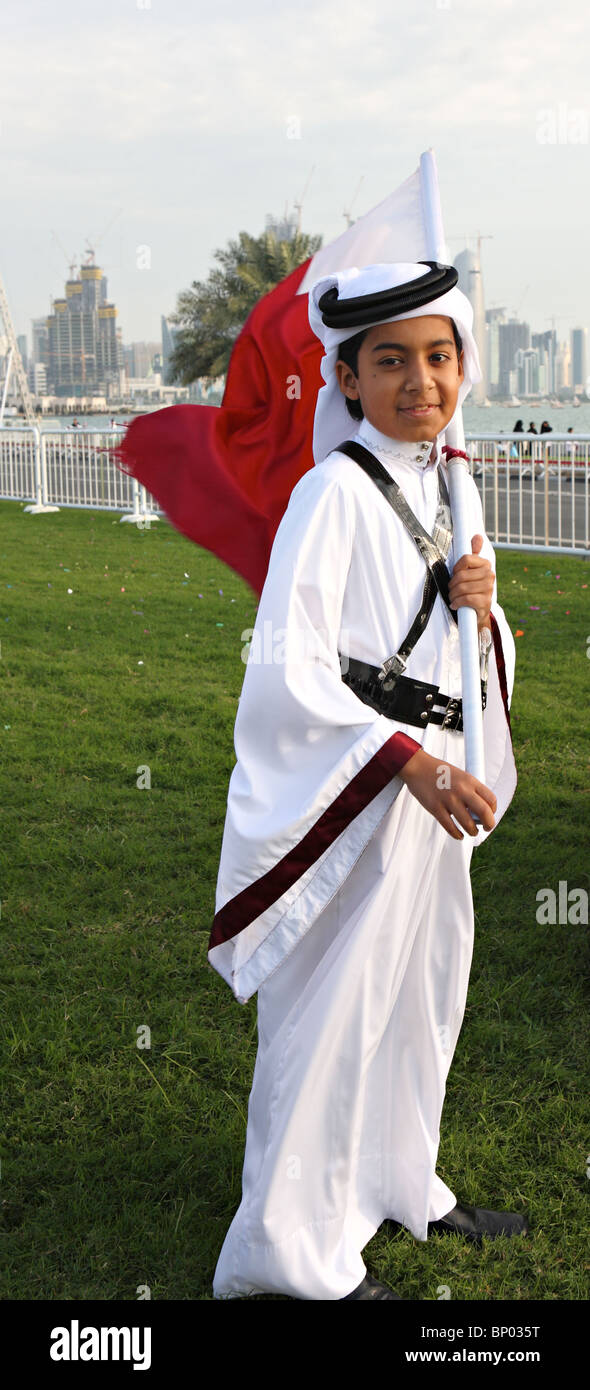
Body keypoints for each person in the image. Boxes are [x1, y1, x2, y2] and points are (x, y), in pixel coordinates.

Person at [209, 260, 526, 1302]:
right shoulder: (331, 493)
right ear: (347, 380)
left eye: (437, 357)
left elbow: (458, 659)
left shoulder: (453, 482)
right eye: (389, 360)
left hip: (434, 794)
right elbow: (289, 664)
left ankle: (401, 1181)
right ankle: (289, 1254)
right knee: (333, 1013)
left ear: (460, 367)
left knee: (418, 997)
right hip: (360, 788)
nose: (419, 380)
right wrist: (408, 763)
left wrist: (479, 612)